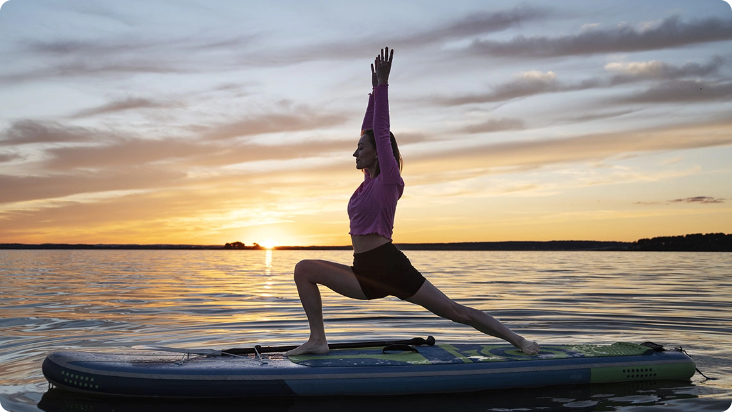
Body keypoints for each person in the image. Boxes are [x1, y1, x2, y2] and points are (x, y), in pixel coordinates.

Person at [285, 47, 540, 357]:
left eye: (360, 148)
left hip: (390, 267)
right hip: (364, 273)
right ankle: (317, 341)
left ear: (379, 153)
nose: (354, 153)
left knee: (454, 311)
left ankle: (519, 341)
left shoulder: (388, 180)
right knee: (304, 270)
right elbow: (369, 130)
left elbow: (379, 132)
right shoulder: (367, 182)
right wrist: (371, 93)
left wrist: (383, 85)